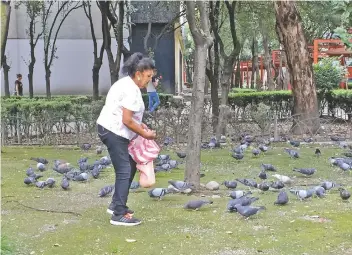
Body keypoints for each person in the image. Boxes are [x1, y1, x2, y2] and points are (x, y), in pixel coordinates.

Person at [96, 52, 157, 226]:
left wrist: (141, 125)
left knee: (129, 166)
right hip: (114, 131)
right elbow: (127, 120)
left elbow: (128, 114)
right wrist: (146, 134)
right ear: (138, 73)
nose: (149, 80)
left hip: (109, 128)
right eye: (148, 76)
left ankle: (116, 204)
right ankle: (119, 214)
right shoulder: (131, 90)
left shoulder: (126, 84)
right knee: (124, 170)